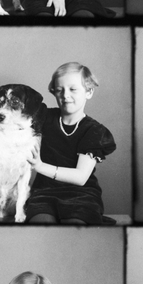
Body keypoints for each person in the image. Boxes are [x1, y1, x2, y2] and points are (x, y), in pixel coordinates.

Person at [25, 63, 117, 224]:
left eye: (73, 89)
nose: (65, 95)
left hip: (81, 195)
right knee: (41, 224)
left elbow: (80, 177)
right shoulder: (44, 117)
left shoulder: (94, 131)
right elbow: (15, 112)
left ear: (89, 92)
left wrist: (40, 166)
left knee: (75, 227)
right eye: (59, 90)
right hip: (44, 192)